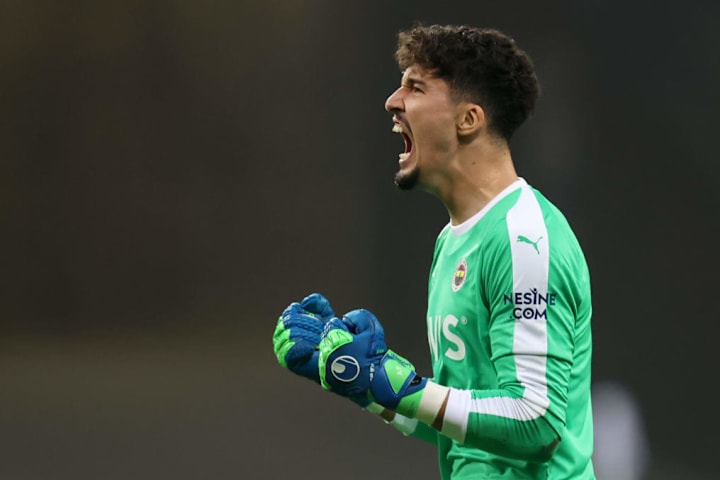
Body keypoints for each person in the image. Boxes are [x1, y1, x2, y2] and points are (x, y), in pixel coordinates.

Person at [273, 24, 594, 479]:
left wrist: (401, 387)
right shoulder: (452, 240)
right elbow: (463, 427)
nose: (393, 101)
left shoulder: (525, 239)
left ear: (468, 120)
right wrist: (364, 383)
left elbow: (536, 422)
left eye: (416, 87)